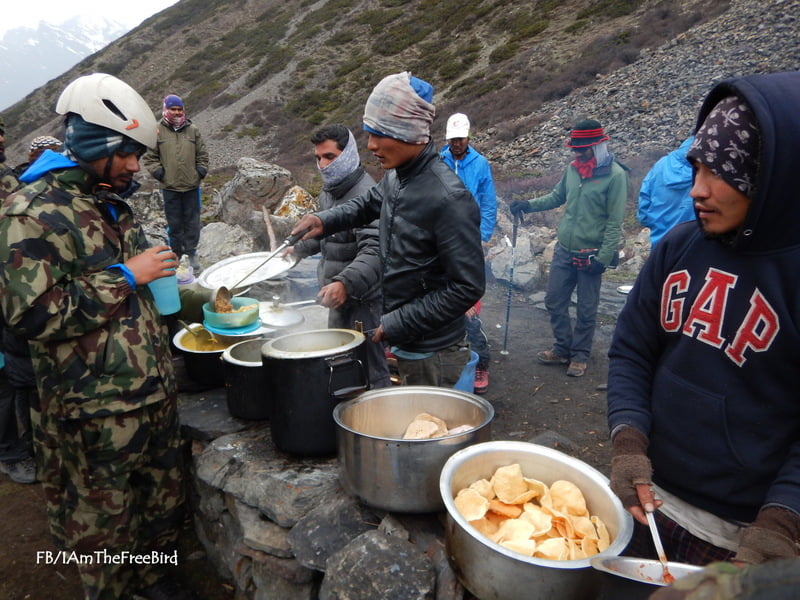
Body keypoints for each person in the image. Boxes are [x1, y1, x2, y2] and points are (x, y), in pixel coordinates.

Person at [0, 73, 195, 600]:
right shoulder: (30, 214)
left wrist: (172, 291)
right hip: (92, 407)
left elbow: (132, 295)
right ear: (97, 145)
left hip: (149, 392)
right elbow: (32, 316)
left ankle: (155, 580)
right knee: (102, 519)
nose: (137, 166)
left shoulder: (108, 199)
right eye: (128, 154)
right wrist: (127, 275)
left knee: (160, 499)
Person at [607, 70, 800, 569]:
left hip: (738, 533)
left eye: (722, 173)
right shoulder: (679, 246)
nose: (698, 190)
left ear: (774, 176)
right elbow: (632, 348)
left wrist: (782, 521)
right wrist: (628, 441)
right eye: (696, 169)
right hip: (647, 496)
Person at [292, 72, 485, 388]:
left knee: (430, 428)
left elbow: (467, 287)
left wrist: (397, 322)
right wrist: (324, 221)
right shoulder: (399, 175)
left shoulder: (448, 199)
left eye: (380, 134)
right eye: (370, 134)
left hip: (432, 349)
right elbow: (367, 204)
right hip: (407, 336)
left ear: (408, 131)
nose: (371, 145)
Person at [510, 119, 627, 378]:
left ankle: (580, 355)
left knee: (586, 308)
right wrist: (527, 204)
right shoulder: (573, 170)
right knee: (554, 300)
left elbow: (614, 222)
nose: (577, 153)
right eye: (575, 148)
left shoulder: (615, 176)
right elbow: (556, 196)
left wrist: (604, 257)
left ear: (597, 146)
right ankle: (563, 347)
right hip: (564, 249)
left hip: (591, 254)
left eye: (582, 149)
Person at [289, 124, 390, 388]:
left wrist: (345, 283)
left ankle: (379, 421)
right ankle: (346, 418)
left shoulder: (367, 195)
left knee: (370, 367)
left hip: (363, 300)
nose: (322, 165)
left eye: (330, 157)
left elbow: (375, 251)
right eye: (318, 158)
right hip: (335, 296)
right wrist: (298, 250)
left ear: (347, 155)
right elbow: (329, 236)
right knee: (341, 360)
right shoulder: (329, 191)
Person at [440, 112, 497, 394]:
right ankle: (447, 354)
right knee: (442, 295)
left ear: (468, 137)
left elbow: (488, 202)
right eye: (453, 140)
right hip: (442, 240)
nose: (457, 144)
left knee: (469, 302)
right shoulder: (439, 161)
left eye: (460, 139)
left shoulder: (480, 164)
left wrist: (483, 236)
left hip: (469, 239)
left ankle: (481, 360)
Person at [0, 117, 37, 485]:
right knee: (5, 381)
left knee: (19, 370)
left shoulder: (6, 173)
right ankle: (11, 453)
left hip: (11, 280)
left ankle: (30, 441)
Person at [142, 94, 208, 271]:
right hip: (169, 187)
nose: (177, 112)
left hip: (191, 186)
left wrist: (200, 171)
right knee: (175, 223)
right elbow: (150, 156)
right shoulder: (157, 130)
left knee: (192, 222)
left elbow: (202, 154)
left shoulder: (192, 129)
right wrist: (159, 173)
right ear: (166, 109)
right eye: (173, 109)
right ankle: (177, 254)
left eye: (179, 109)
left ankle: (192, 253)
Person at [637, 135, 695, 248]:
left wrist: (657, 226)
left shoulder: (661, 164)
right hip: (693, 245)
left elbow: (643, 209)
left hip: (660, 244)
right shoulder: (706, 171)